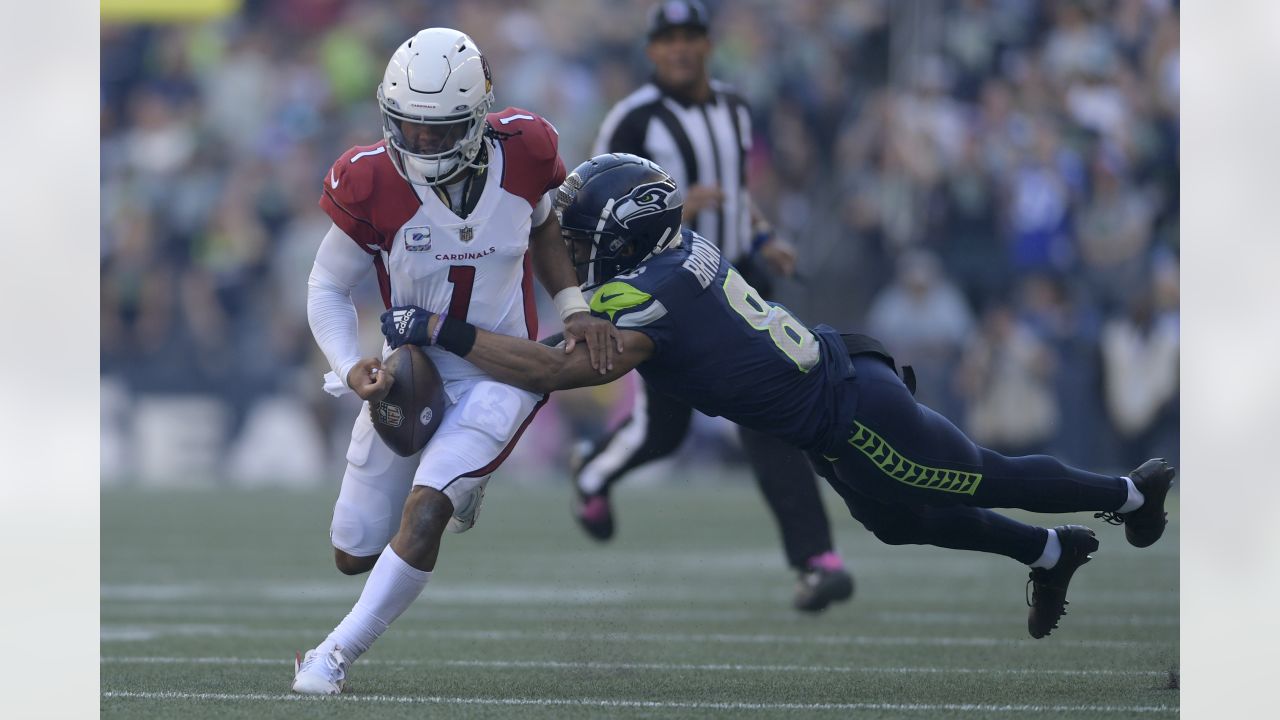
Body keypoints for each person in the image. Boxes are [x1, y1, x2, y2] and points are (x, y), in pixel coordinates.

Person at [380, 153, 1176, 643]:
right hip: (836, 400)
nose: (578, 254)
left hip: (853, 415)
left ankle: (1130, 492)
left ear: (624, 234)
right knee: (896, 523)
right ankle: (1050, 552)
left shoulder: (646, 300)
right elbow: (555, 355)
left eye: (587, 240)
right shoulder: (675, 255)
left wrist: (441, 331)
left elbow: (556, 371)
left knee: (979, 475)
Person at [291, 28, 621, 695]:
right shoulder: (369, 177)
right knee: (353, 552)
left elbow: (545, 224)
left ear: (476, 120)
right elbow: (327, 285)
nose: (421, 144)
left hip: (504, 369)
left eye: (438, 132)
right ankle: (457, 482)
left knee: (426, 511)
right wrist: (352, 362)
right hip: (410, 371)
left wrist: (573, 305)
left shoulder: (527, 149)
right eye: (408, 129)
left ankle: (331, 655)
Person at [572, 0, 854, 613]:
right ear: (651, 50)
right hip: (669, 289)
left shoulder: (733, 106)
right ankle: (593, 470)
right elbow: (592, 205)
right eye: (667, 38)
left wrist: (759, 234)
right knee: (663, 431)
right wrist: (677, 214)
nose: (679, 48)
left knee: (775, 417)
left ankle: (816, 560)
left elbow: (739, 191)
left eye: (690, 36)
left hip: (736, 279)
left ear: (708, 43)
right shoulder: (633, 119)